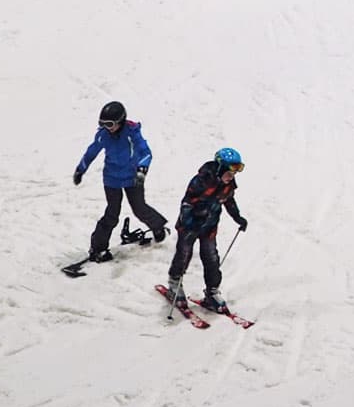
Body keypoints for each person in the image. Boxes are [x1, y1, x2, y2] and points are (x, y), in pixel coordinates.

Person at [74, 100, 168, 262]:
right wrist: (81, 169)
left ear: (120, 121)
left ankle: (158, 227)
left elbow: (146, 153)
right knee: (112, 214)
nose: (106, 128)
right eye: (102, 124)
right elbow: (92, 151)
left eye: (109, 124)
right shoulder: (104, 135)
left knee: (139, 208)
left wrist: (141, 170)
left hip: (133, 178)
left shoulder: (132, 133)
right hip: (111, 179)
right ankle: (98, 248)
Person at [166, 147, 248, 313]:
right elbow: (187, 203)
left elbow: (229, 201)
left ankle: (212, 291)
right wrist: (189, 222)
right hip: (189, 226)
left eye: (235, 173)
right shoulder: (201, 181)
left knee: (211, 258)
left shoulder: (228, 185)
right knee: (183, 254)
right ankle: (174, 283)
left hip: (209, 227)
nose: (232, 176)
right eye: (229, 172)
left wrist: (238, 218)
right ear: (220, 168)